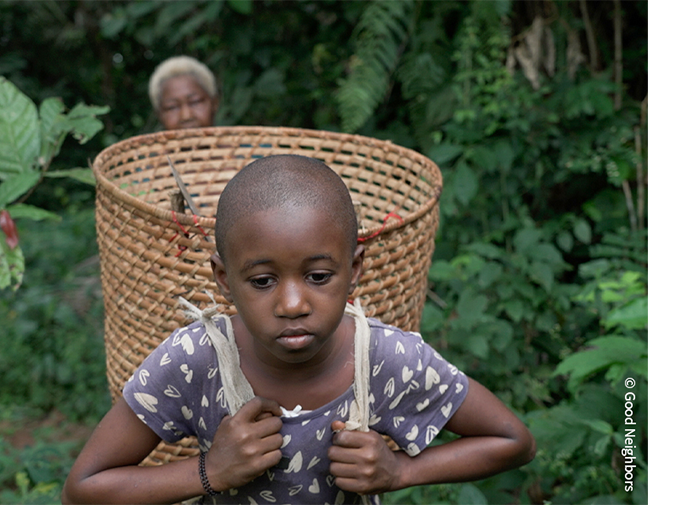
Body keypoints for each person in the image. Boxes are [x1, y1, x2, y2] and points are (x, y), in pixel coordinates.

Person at [62, 155, 536, 505]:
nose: (292, 304)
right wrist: (210, 471)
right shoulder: (194, 360)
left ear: (354, 271)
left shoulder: (385, 359)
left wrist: (399, 471)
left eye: (318, 276)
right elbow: (84, 488)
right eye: (263, 281)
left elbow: (513, 441)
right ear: (225, 281)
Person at [149, 55, 219, 131]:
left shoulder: (233, 142)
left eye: (195, 102)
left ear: (214, 103)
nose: (186, 116)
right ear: (159, 115)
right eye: (172, 107)